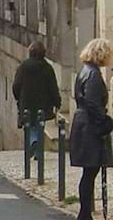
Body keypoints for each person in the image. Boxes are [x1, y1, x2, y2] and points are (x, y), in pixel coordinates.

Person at [70, 39, 113, 220]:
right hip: (89, 126)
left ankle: (84, 213)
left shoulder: (85, 71)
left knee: (89, 172)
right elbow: (94, 104)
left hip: (83, 123)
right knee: (90, 171)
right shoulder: (93, 75)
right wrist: (105, 123)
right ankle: (84, 214)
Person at [13, 41, 61, 157]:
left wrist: (18, 97)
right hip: (43, 103)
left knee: (29, 125)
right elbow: (53, 86)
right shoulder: (47, 67)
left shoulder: (23, 66)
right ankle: (37, 150)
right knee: (40, 124)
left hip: (27, 102)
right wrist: (57, 101)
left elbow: (16, 85)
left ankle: (34, 142)